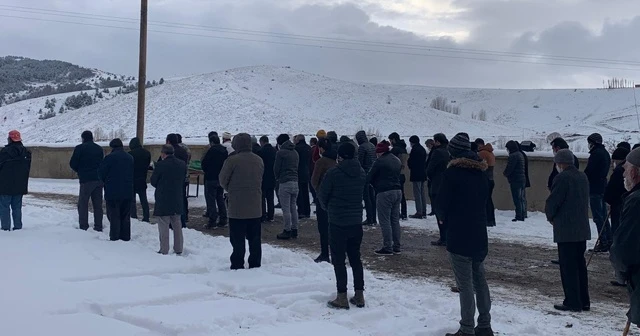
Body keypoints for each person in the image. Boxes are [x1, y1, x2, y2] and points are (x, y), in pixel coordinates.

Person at [436, 134, 493, 336]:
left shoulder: (452, 174)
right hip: (479, 234)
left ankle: (467, 328)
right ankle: (485, 325)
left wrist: (443, 218)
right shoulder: (482, 175)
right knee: (480, 280)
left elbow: (442, 202)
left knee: (465, 284)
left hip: (459, 233)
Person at [318, 142, 366, 310]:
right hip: (356, 221)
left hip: (337, 221)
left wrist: (329, 208)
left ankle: (341, 297)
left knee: (339, 260)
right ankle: (359, 295)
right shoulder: (361, 172)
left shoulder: (334, 173)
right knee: (355, 258)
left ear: (340, 156)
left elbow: (323, 196)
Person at [545, 149, 591, 312]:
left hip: (566, 230)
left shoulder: (562, 178)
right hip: (581, 228)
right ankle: (584, 300)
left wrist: (550, 215)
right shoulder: (582, 176)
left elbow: (554, 201)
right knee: (580, 265)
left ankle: (572, 301)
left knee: (568, 267)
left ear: (560, 163)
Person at [219, 133, 264, 270]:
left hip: (237, 206)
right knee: (255, 239)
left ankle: (238, 264)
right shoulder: (258, 160)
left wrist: (231, 189)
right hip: (255, 205)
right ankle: (255, 263)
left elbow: (222, 180)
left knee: (237, 239)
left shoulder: (232, 160)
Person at [610, 148, 640, 328]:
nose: (623, 173)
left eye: (626, 169)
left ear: (635, 172)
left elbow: (623, 249)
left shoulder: (636, 201)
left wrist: (622, 274)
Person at [150, 145, 187, 255]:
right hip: (177, 197)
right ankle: (178, 248)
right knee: (177, 224)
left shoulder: (160, 165)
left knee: (163, 224)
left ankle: (164, 249)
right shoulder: (182, 164)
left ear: (163, 154)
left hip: (163, 198)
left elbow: (153, 181)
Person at [367, 141, 402, 255]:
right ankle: (397, 246)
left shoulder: (379, 161)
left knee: (384, 220)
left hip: (384, 192)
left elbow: (369, 177)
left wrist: (374, 185)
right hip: (397, 191)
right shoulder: (397, 160)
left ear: (380, 152)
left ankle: (387, 246)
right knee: (395, 220)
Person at [98, 139, 134, 241]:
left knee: (114, 215)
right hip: (127, 191)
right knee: (125, 216)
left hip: (112, 191)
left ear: (112, 147)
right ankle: (126, 237)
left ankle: (115, 237)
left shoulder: (109, 158)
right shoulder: (130, 158)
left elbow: (101, 173)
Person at [605, 146, 631, 286]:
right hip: (622, 206)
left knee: (618, 238)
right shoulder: (626, 170)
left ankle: (622, 274)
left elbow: (611, 190)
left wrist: (609, 200)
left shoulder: (619, 172)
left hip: (618, 207)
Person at [70, 130, 105, 231]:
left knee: (83, 203)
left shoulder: (79, 148)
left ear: (83, 138)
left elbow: (73, 163)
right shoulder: (99, 149)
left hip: (86, 180)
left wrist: (80, 171)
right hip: (99, 179)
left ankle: (84, 226)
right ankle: (98, 226)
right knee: (98, 204)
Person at [311, 138, 337, 263]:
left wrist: (318, 192)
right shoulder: (335, 161)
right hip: (334, 198)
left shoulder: (320, 162)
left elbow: (314, 180)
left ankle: (324, 253)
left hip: (322, 198)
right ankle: (334, 252)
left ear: (321, 148)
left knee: (323, 227)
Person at [584, 133, 612, 252]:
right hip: (602, 187)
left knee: (598, 217)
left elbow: (589, 171)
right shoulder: (605, 153)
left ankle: (603, 241)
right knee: (603, 215)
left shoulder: (596, 154)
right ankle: (609, 239)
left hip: (595, 187)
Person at [0, 130, 31, 231]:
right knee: (17, 207)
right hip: (20, 184)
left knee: (4, 207)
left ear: (10, 139)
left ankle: (5, 227)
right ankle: (18, 226)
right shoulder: (26, 152)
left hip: (5, 185)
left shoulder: (5, 152)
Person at [275, 134, 299, 240]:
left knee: (286, 209)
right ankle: (295, 229)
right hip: (295, 181)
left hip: (285, 182)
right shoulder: (295, 152)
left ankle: (287, 230)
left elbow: (276, 168)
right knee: (293, 207)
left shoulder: (281, 153)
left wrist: (277, 177)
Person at [201, 134, 229, 229]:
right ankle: (223, 219)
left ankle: (212, 220)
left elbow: (204, 163)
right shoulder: (224, 150)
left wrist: (206, 171)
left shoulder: (211, 150)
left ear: (211, 142)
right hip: (221, 178)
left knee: (211, 200)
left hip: (211, 178)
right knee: (220, 199)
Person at [428, 133, 451, 244]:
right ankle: (447, 236)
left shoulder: (437, 152)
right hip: (447, 184)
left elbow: (430, 168)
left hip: (437, 184)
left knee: (439, 212)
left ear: (437, 141)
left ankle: (443, 237)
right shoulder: (448, 151)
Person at [356, 130, 377, 225]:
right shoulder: (372, 146)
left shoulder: (362, 147)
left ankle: (369, 218)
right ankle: (374, 218)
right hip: (373, 174)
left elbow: (359, 162)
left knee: (366, 197)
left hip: (365, 174)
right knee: (372, 197)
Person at [128, 137, 151, 223]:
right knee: (144, 200)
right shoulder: (147, 153)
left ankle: (133, 216)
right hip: (142, 179)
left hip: (132, 180)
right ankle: (146, 217)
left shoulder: (130, 154)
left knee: (132, 201)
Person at [475, 139, 496, 227]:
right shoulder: (490, 152)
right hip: (491, 179)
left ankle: (488, 220)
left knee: (485, 200)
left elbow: (478, 165)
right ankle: (491, 220)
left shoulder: (482, 153)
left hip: (485, 179)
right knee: (489, 200)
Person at [504, 140, 526, 222]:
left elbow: (510, 168)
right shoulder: (520, 154)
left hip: (515, 180)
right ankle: (523, 214)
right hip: (522, 179)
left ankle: (519, 216)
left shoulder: (513, 156)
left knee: (517, 199)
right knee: (521, 198)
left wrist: (505, 173)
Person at [389, 133, 409, 220]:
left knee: (395, 195)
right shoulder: (403, 148)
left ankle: (397, 213)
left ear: (393, 139)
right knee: (402, 195)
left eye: (390, 140)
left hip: (396, 174)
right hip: (403, 174)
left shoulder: (395, 150)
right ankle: (404, 213)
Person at [407, 135, 428, 219]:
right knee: (422, 193)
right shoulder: (422, 149)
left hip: (416, 174)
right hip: (423, 173)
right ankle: (423, 211)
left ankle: (419, 212)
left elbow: (411, 162)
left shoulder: (414, 150)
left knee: (417, 193)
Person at [259, 136, 277, 222]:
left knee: (262, 198)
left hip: (263, 176)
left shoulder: (261, 151)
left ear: (262, 142)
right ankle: (271, 215)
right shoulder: (274, 151)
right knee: (270, 197)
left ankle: (263, 215)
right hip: (272, 176)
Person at [295, 135, 312, 219]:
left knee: (299, 193)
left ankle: (301, 211)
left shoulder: (297, 148)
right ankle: (307, 211)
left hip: (298, 172)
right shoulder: (308, 148)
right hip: (306, 172)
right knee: (305, 193)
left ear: (298, 140)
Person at [517, 141, 531, 218]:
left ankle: (521, 213)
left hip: (520, 179)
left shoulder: (519, 155)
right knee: (522, 197)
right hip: (524, 179)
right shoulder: (523, 155)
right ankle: (523, 212)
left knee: (520, 197)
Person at [309, 137, 318, 205]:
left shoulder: (312, 150)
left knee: (312, 186)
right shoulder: (317, 149)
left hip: (312, 170)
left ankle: (315, 199)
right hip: (316, 169)